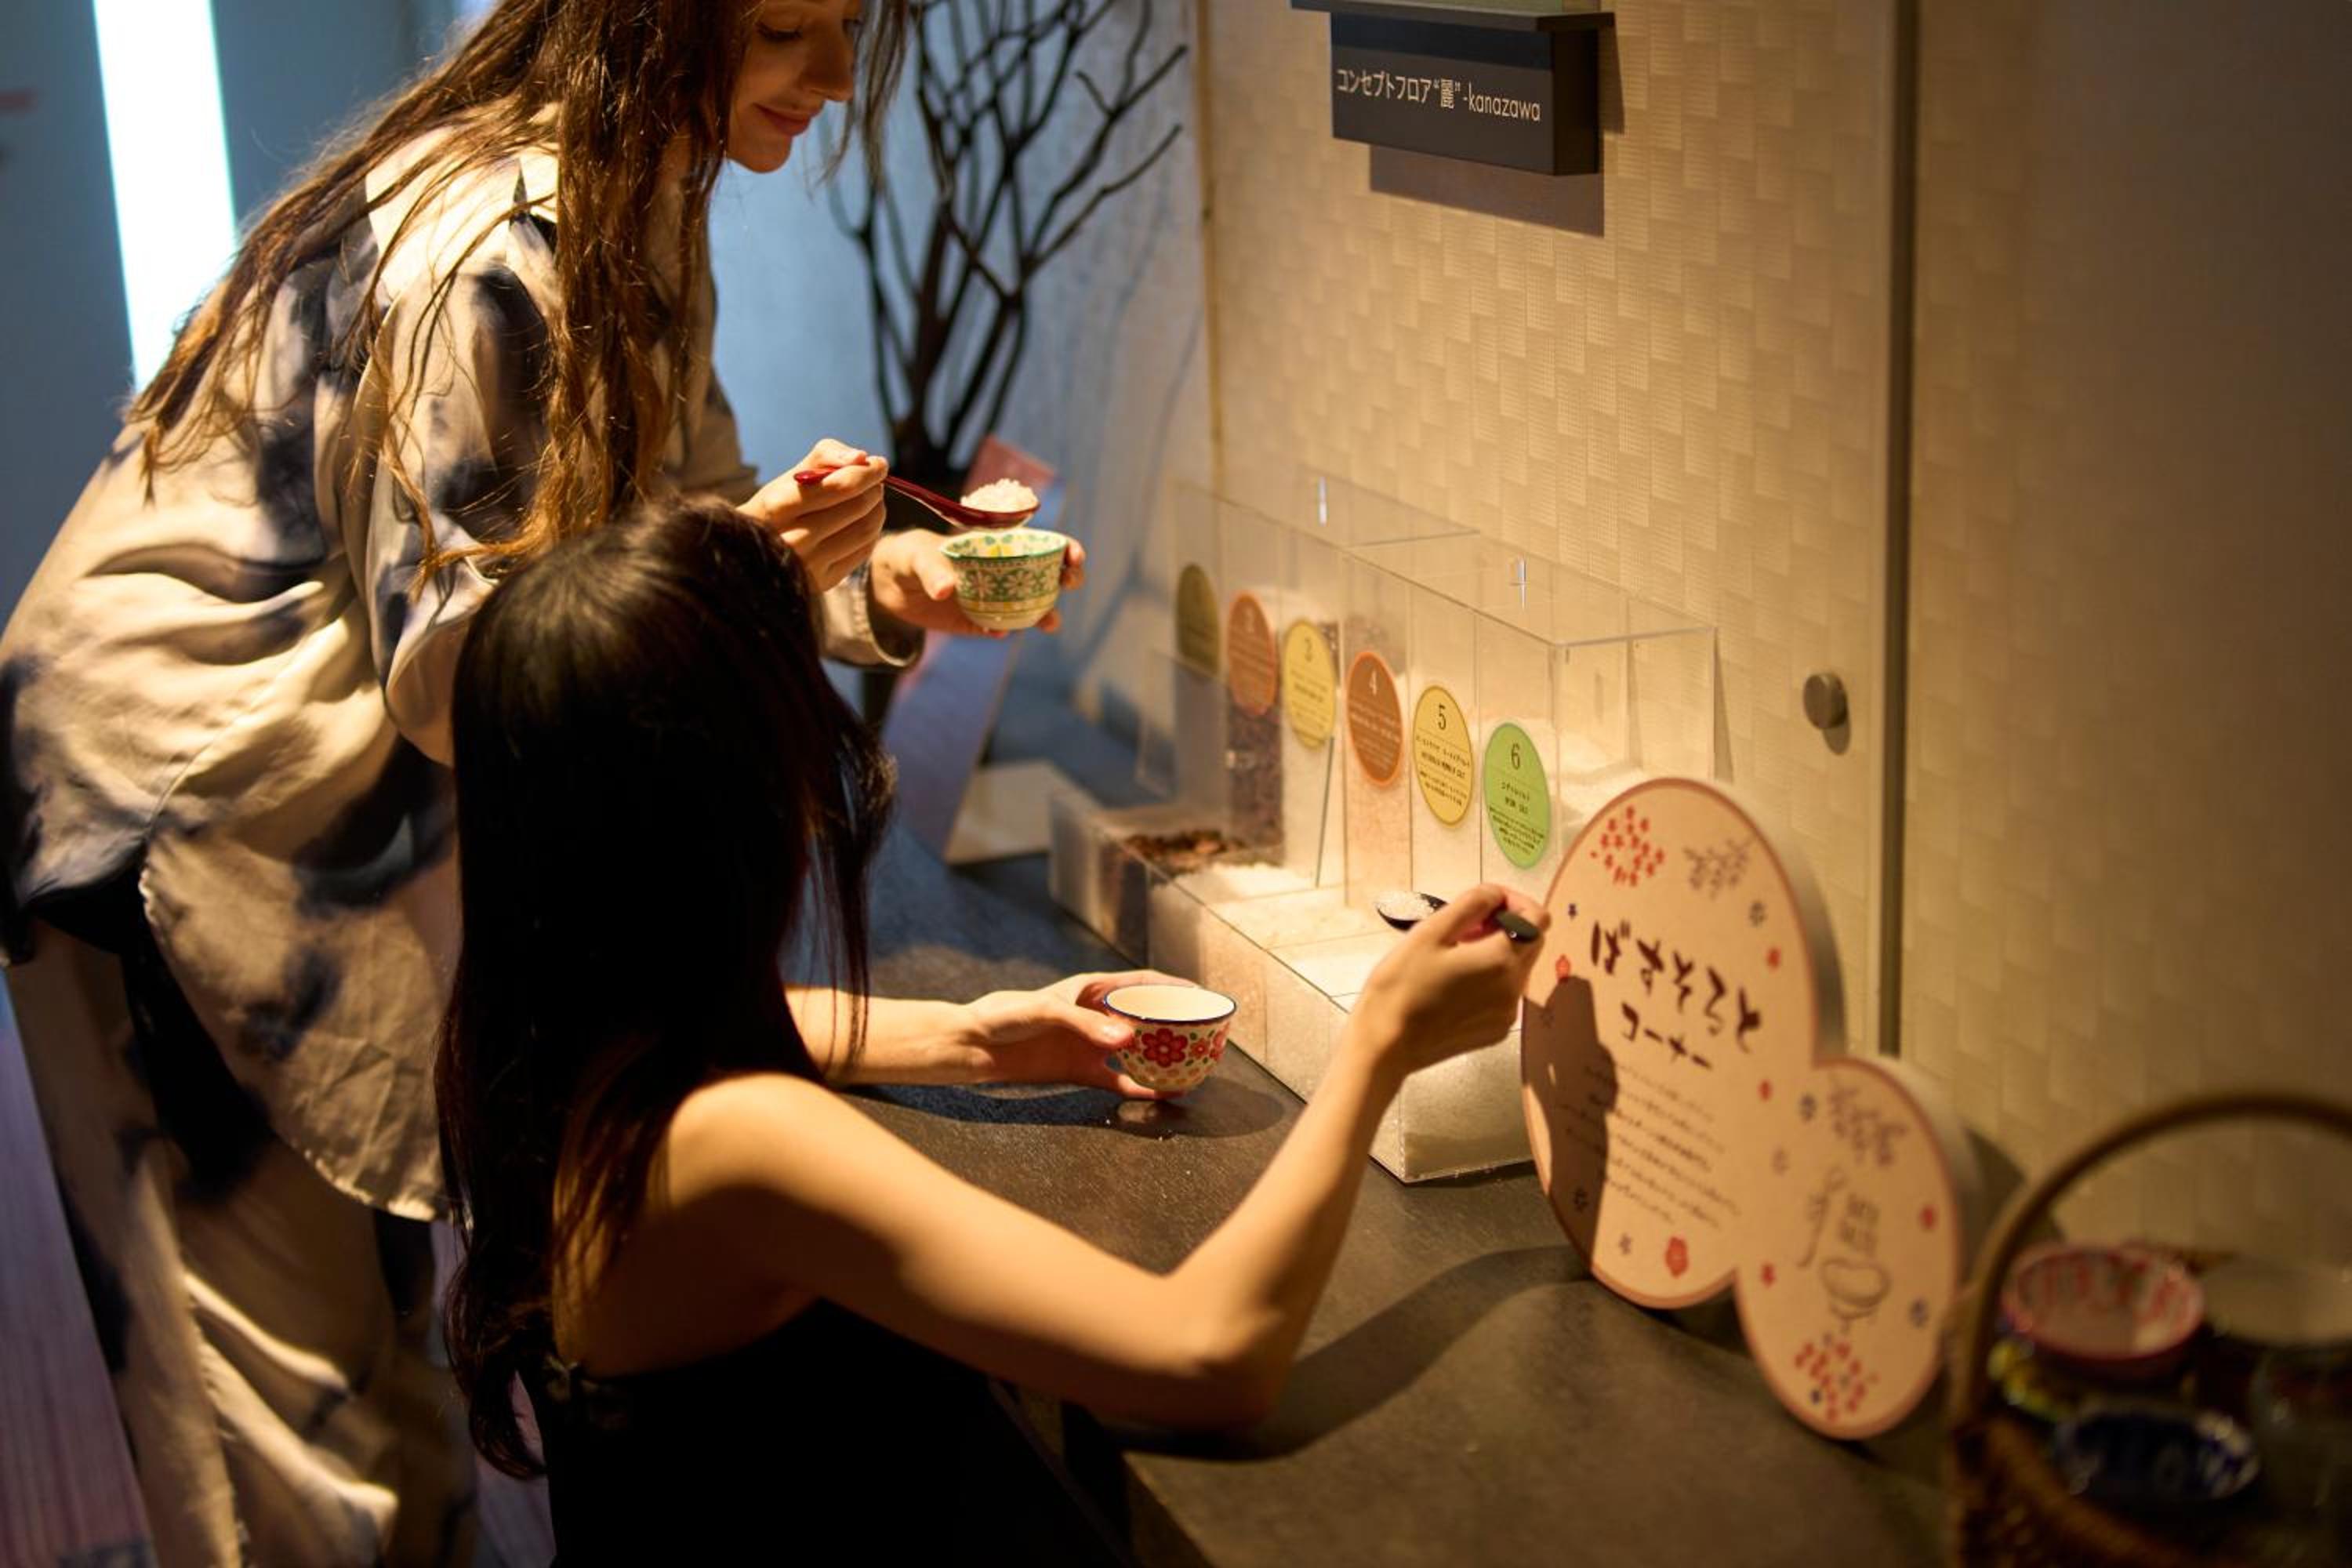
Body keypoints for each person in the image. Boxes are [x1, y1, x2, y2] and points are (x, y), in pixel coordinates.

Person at [0, 2, 1086, 1561]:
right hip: (172, 822)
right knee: (299, 1454)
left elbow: (685, 511)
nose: (838, 80)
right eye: (789, 27)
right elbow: (472, 669)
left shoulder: (647, 188)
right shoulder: (492, 242)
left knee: (384, 1396)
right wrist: (750, 561)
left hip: (331, 824)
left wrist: (879, 580)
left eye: (850, 25)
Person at [434, 495, 1549, 1561]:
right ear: (727, 812)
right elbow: (1209, 1356)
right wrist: (1379, 1047)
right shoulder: (740, 1145)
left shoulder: (556, 1028)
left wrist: (975, 1038)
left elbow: (781, 1022)